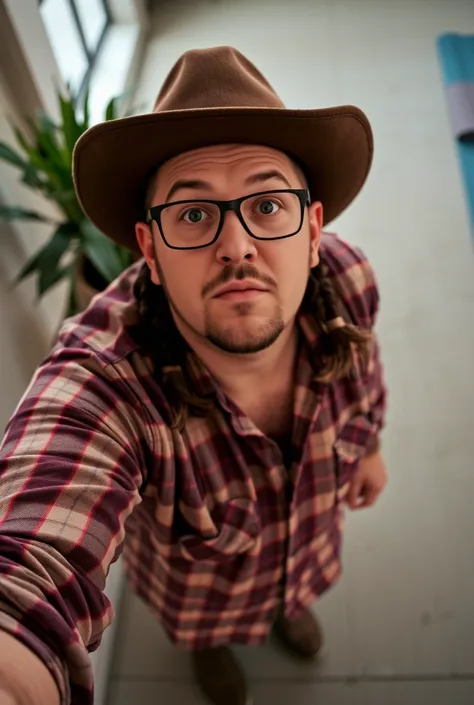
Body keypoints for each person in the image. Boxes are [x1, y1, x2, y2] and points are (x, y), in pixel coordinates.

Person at [0, 46, 387, 705]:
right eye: (193, 213)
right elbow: (29, 561)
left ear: (314, 231)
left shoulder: (347, 277)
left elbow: (366, 365)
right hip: (199, 597)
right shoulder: (106, 379)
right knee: (203, 627)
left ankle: (287, 606)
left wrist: (371, 444)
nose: (236, 245)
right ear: (148, 249)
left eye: (267, 204)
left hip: (311, 537)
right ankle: (212, 652)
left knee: (294, 592)